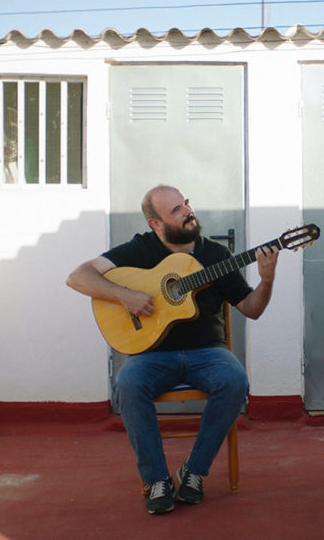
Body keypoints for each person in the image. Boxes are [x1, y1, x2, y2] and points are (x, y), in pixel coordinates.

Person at [66, 184, 279, 515]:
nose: (188, 212)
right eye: (176, 211)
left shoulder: (216, 256)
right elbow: (78, 277)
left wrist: (267, 280)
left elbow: (251, 309)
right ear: (155, 223)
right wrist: (124, 295)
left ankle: (193, 472)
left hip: (208, 352)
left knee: (235, 381)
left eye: (186, 204)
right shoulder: (139, 251)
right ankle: (156, 479)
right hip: (151, 354)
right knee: (128, 384)